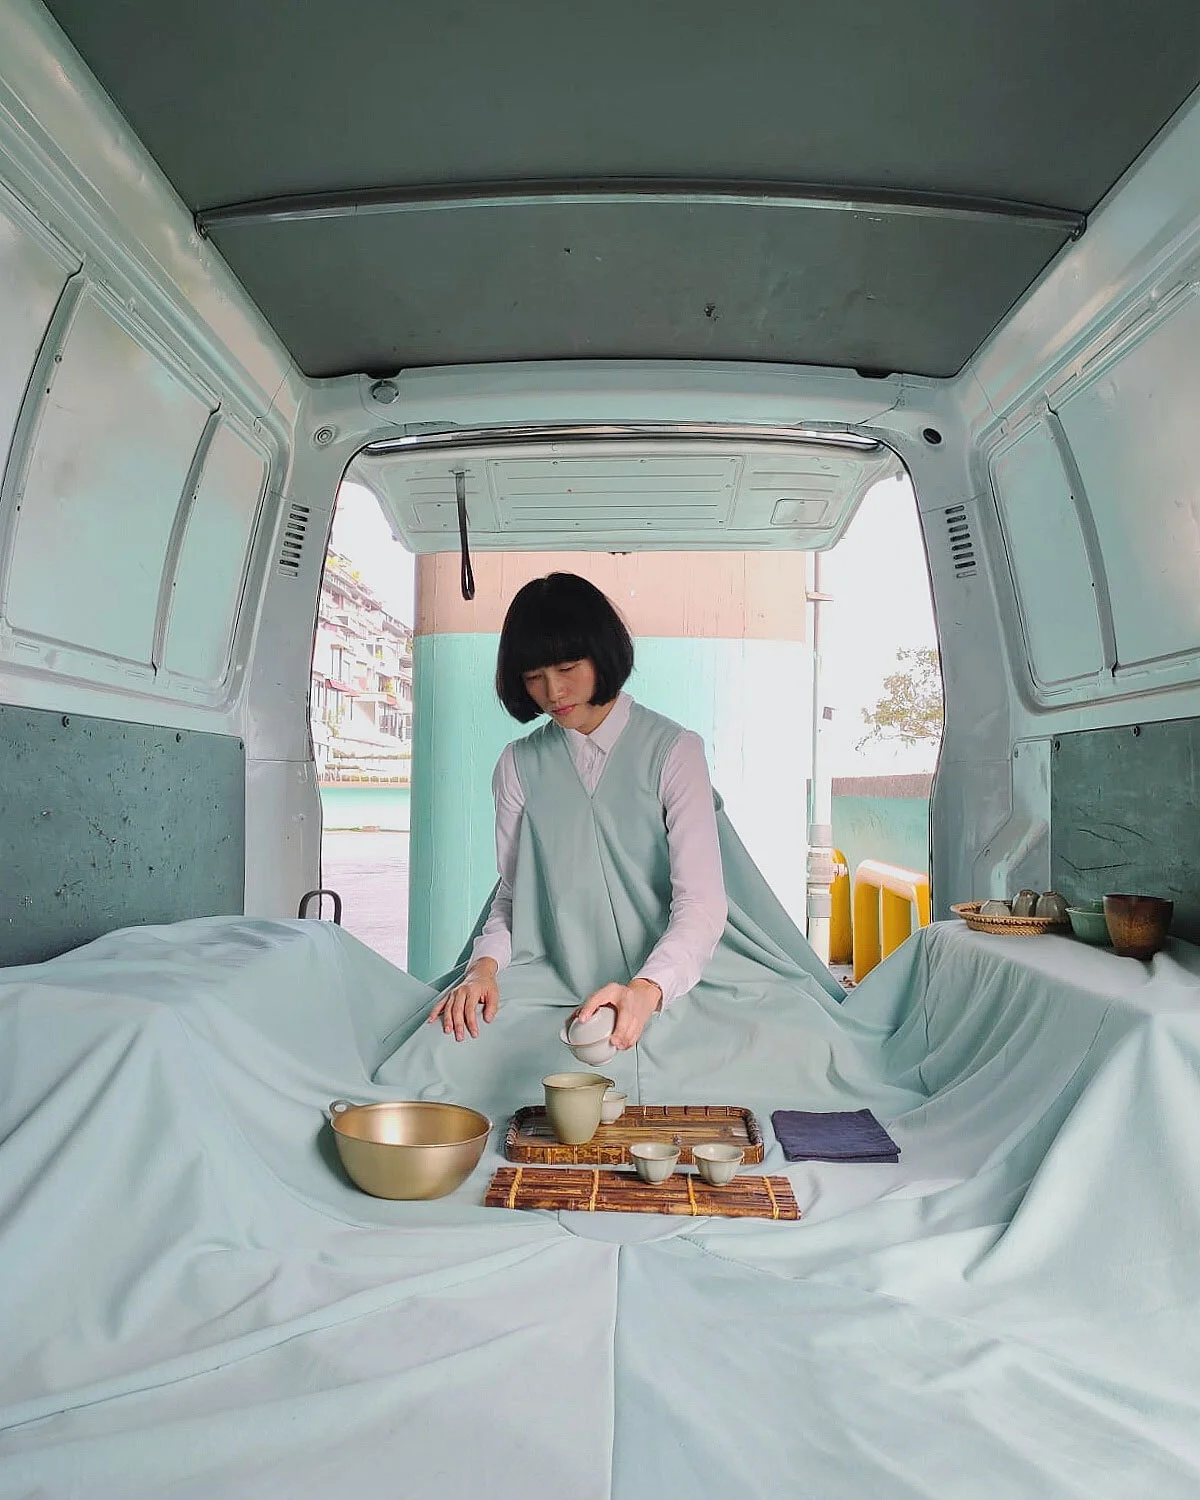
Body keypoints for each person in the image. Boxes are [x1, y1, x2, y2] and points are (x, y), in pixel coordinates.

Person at [428, 572, 728, 1048]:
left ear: (602, 652)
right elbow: (512, 897)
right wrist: (482, 970)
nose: (553, 693)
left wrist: (646, 990)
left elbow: (701, 904)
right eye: (534, 677)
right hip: (551, 977)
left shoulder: (675, 751)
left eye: (567, 668)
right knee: (433, 1053)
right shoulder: (517, 766)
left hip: (673, 977)